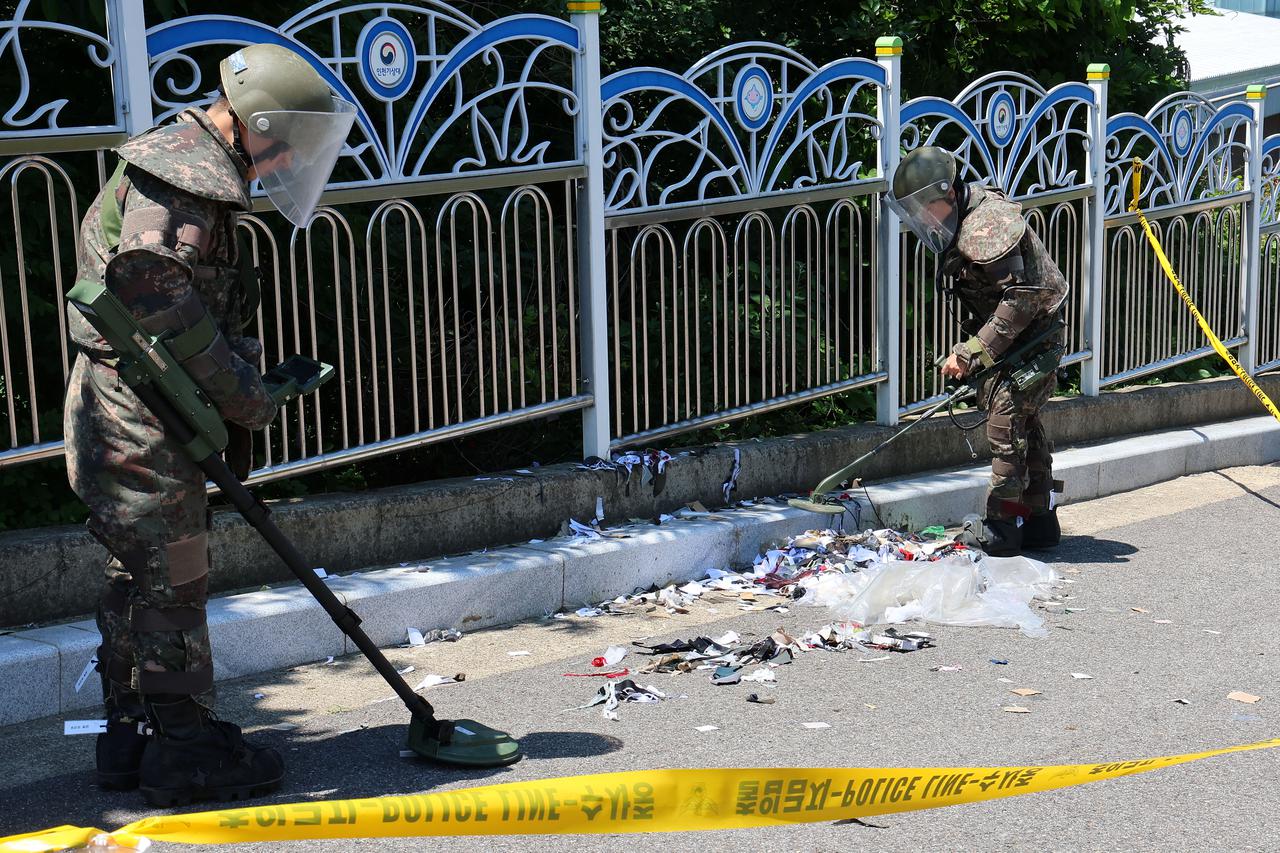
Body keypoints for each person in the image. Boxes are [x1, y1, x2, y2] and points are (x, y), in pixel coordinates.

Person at [63, 43, 355, 807]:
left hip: (133, 408)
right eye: (284, 139)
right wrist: (245, 396)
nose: (287, 156)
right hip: (140, 417)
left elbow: (184, 310)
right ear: (253, 121)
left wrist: (241, 380)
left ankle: (130, 736)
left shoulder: (190, 166)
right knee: (173, 581)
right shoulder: (183, 179)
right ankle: (185, 750)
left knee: (140, 576)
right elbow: (150, 290)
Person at [886, 146, 1068, 557]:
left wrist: (971, 352)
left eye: (925, 207)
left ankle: (1002, 528)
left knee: (1005, 426)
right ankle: (1039, 520)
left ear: (947, 194)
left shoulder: (987, 224)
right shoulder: (964, 218)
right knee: (1025, 424)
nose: (923, 217)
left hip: (1034, 336)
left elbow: (1020, 300)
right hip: (1021, 338)